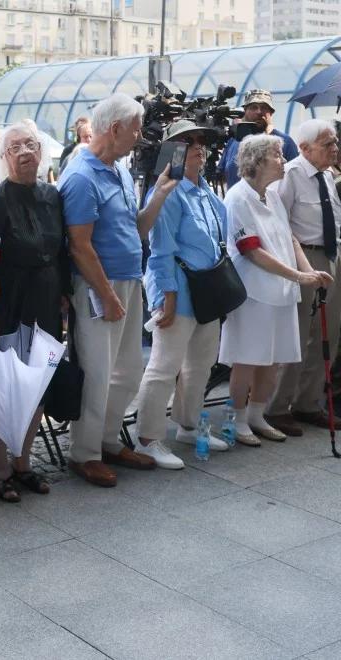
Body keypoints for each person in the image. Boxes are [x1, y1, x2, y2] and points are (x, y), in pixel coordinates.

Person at [58, 93, 176, 487]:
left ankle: (108, 440)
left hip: (128, 281)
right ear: (115, 128)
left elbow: (137, 229)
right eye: (136, 129)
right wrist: (106, 295)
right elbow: (79, 245)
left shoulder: (120, 170)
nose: (140, 137)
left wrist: (159, 193)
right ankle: (85, 452)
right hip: (98, 287)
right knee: (98, 372)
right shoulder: (80, 175)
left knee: (127, 372)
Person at [0, 123, 64, 501]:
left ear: (40, 153)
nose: (24, 151)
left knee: (37, 384)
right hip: (5, 303)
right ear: (4, 158)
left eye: (30, 144)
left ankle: (23, 463)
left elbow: (62, 252)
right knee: (4, 386)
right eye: (14, 147)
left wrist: (65, 293)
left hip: (46, 302)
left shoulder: (52, 196)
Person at [133, 121, 234, 469]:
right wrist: (168, 297)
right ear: (171, 151)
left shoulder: (206, 192)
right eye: (187, 142)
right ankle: (147, 438)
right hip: (176, 289)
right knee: (164, 366)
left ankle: (188, 425)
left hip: (207, 291)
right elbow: (160, 249)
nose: (198, 146)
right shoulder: (167, 191)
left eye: (201, 141)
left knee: (201, 364)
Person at [221, 134, 331, 445]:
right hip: (253, 294)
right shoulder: (238, 198)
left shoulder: (272, 196)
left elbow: (291, 239)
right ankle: (239, 420)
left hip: (281, 291)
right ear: (256, 161)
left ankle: (258, 415)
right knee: (247, 359)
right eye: (277, 156)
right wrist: (298, 276)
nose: (283, 161)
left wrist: (310, 272)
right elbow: (252, 251)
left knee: (273, 359)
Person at [262, 119, 341, 437]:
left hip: (331, 257)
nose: (335, 149)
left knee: (328, 334)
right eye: (328, 144)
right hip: (304, 259)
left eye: (335, 143)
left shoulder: (328, 176)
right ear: (305, 148)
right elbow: (277, 225)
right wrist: (299, 268)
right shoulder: (291, 174)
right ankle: (278, 407)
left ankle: (309, 402)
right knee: (297, 334)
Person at [220, 89, 299, 188]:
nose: (259, 112)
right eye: (253, 107)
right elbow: (221, 175)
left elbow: (296, 179)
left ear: (271, 113)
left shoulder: (285, 142)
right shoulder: (234, 140)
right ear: (244, 112)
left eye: (264, 107)